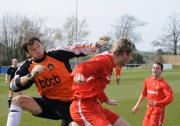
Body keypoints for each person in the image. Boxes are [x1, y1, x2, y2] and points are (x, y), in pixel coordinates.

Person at [6, 36, 110, 126]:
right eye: (32, 49)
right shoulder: (27, 66)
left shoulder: (56, 54)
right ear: (28, 53)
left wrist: (96, 45)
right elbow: (13, 85)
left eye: (38, 46)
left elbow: (76, 49)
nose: (37, 50)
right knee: (18, 100)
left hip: (71, 103)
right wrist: (30, 75)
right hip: (49, 104)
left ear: (42, 45)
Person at [70, 39, 135, 126]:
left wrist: (105, 99)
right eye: (130, 55)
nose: (131, 58)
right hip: (83, 107)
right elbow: (81, 67)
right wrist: (78, 75)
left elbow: (96, 85)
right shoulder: (104, 60)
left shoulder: (109, 63)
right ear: (124, 54)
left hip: (95, 106)